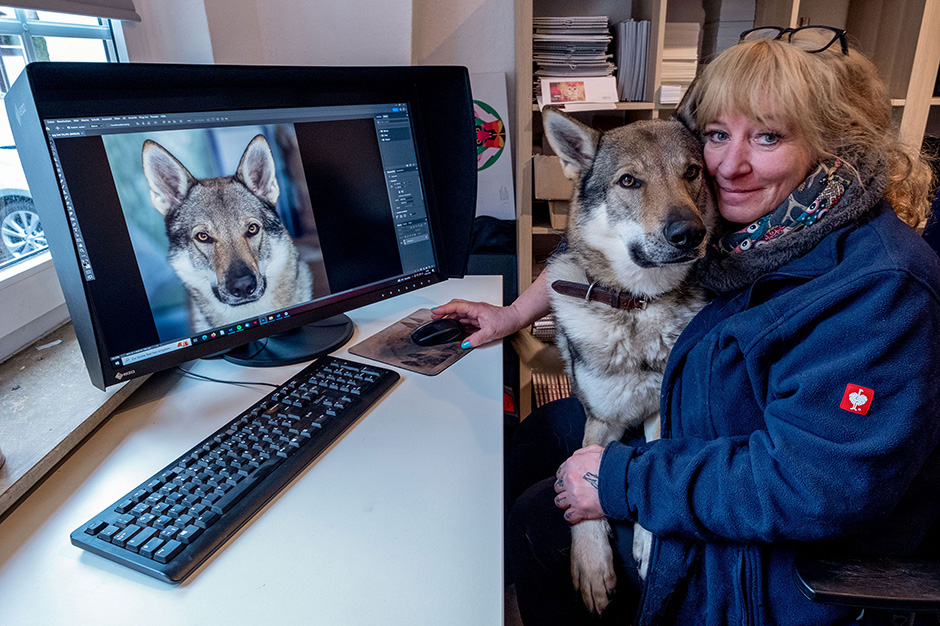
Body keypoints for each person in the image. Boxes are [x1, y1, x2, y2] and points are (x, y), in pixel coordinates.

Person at [434, 25, 940, 625]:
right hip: (701, 423)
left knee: (535, 521)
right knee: (540, 434)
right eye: (718, 135)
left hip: (762, 565)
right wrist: (515, 313)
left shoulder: (879, 289)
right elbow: (594, 256)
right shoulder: (749, 225)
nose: (730, 163)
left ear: (828, 143)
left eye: (769, 136)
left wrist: (624, 483)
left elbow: (811, 485)